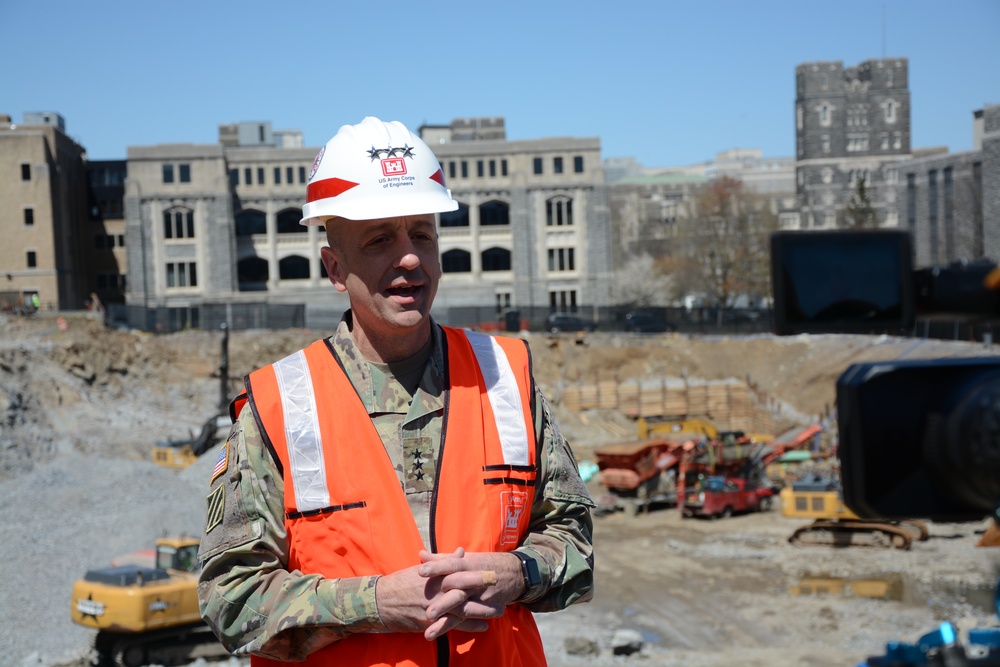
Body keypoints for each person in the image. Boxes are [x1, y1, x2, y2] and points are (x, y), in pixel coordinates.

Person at [197, 117, 595, 666]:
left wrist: (519, 572)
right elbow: (229, 601)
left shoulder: (506, 376)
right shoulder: (279, 405)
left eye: (422, 235)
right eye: (380, 239)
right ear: (336, 268)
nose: (408, 257)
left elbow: (573, 539)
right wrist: (375, 602)